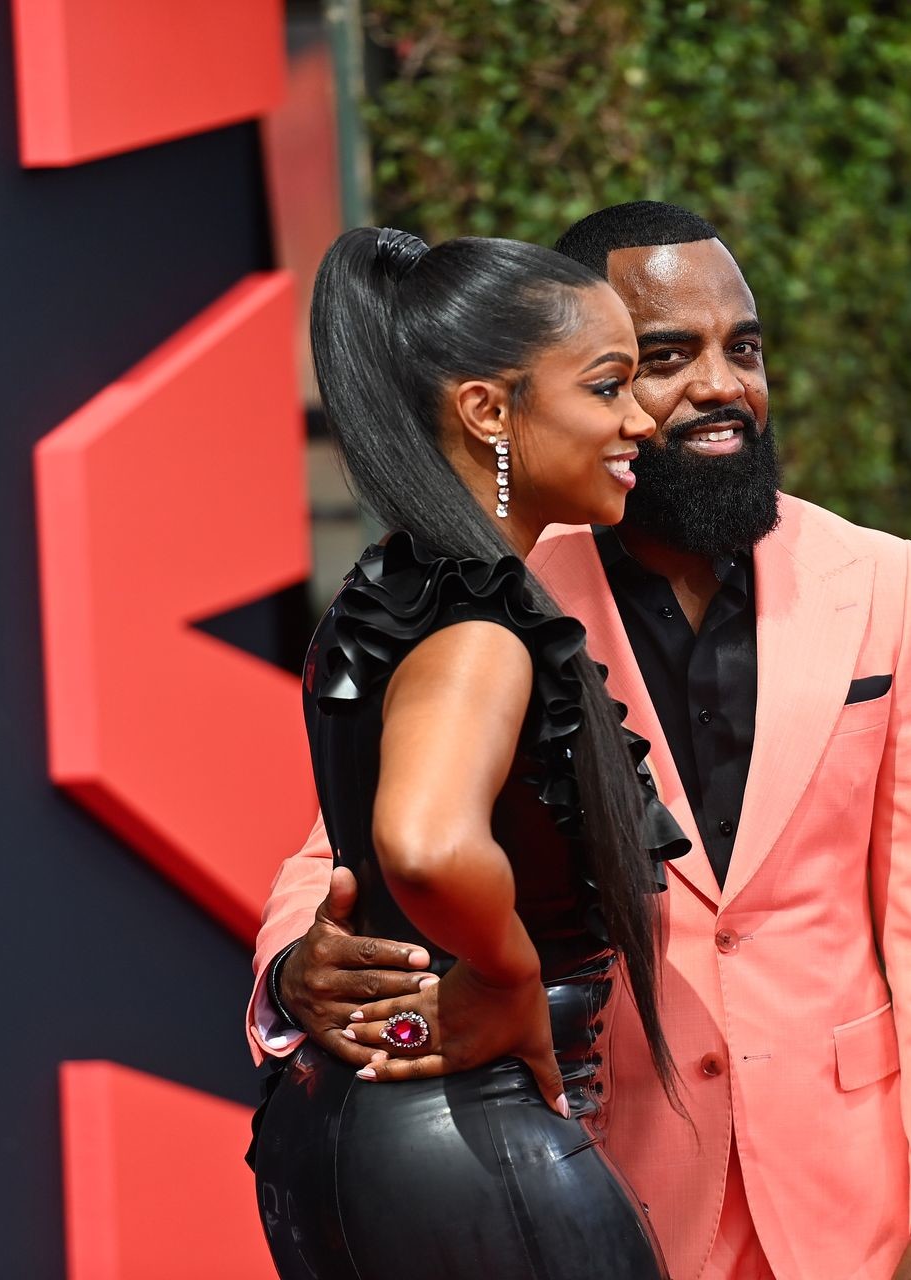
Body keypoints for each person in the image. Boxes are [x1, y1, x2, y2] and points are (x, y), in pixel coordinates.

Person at [250, 202, 911, 1279]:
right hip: (598, 1181)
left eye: (743, 348)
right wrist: (301, 971)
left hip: (850, 1209)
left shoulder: (881, 579)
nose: (721, 385)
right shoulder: (498, 584)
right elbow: (350, 843)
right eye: (656, 362)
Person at [248, 224, 689, 1279]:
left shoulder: (396, 591)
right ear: (489, 411)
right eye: (607, 386)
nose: (641, 419)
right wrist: (508, 974)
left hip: (352, 1135)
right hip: (472, 1145)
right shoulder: (481, 627)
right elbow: (427, 843)